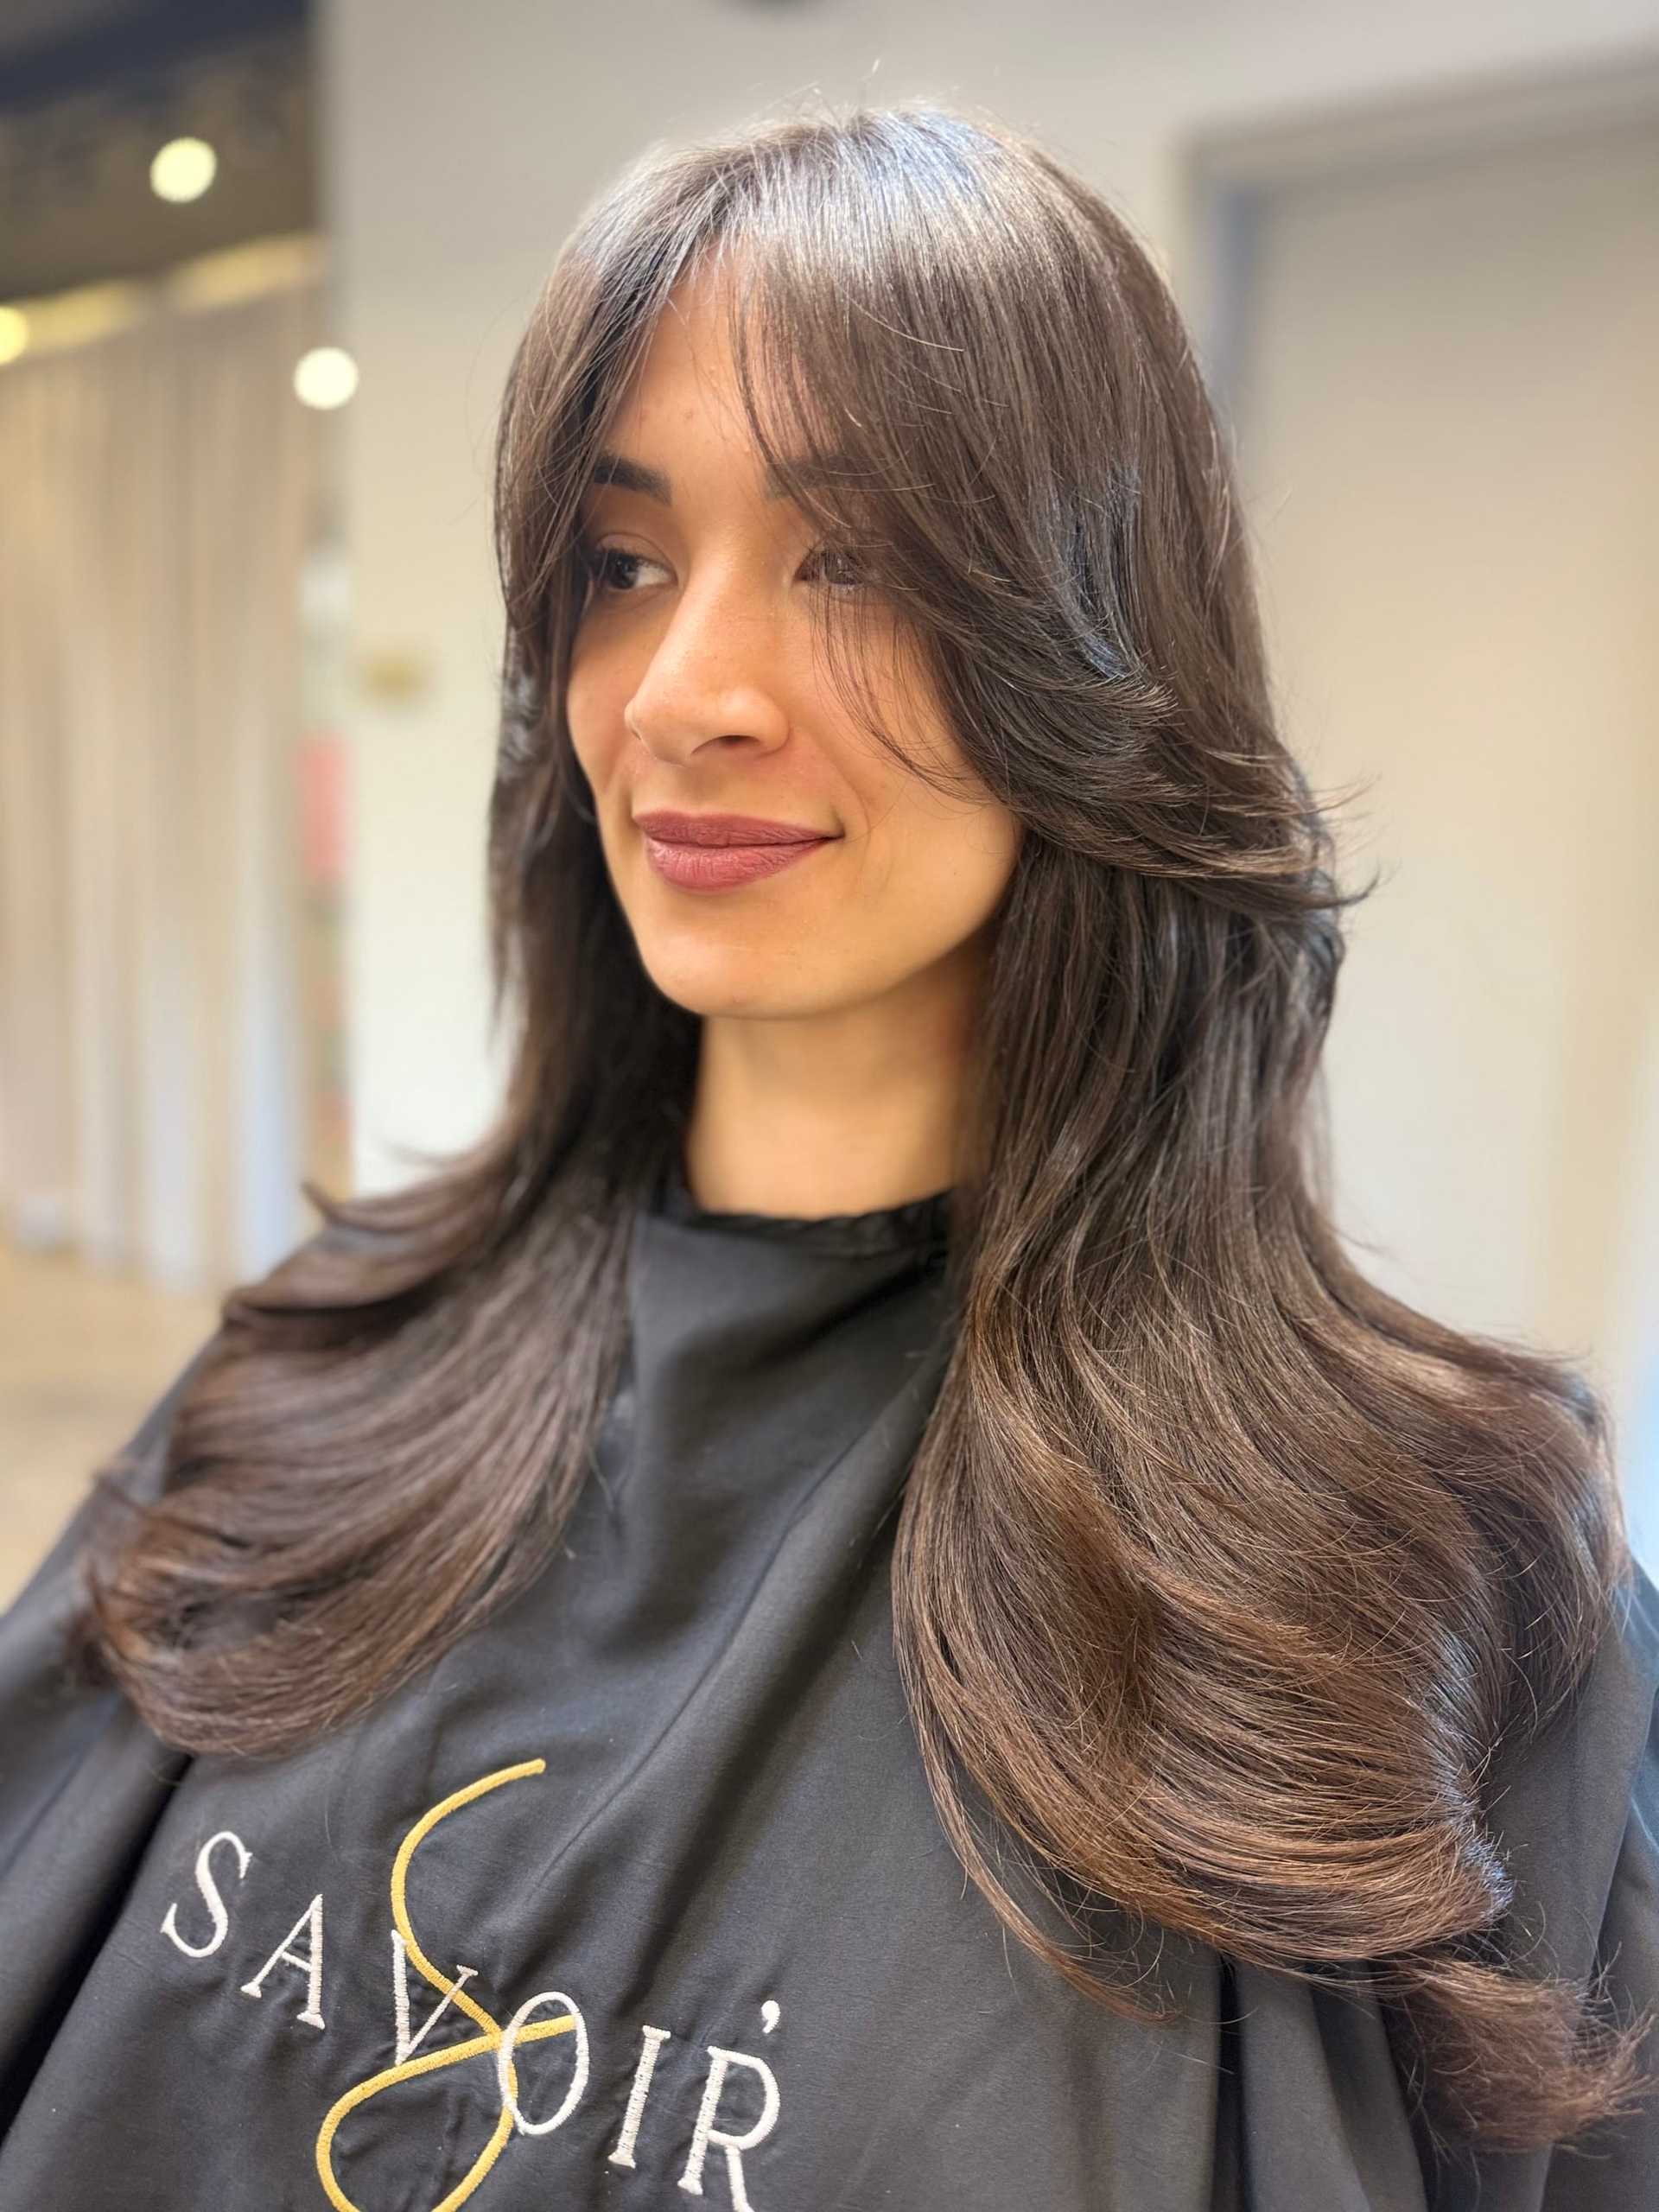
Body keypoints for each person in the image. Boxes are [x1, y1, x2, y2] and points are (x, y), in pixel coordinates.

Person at [0, 97, 1654, 2212]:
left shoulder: (1444, 1594)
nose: (687, 690)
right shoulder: (301, 1384)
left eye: (852, 557)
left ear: (1101, 645)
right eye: (622, 563)